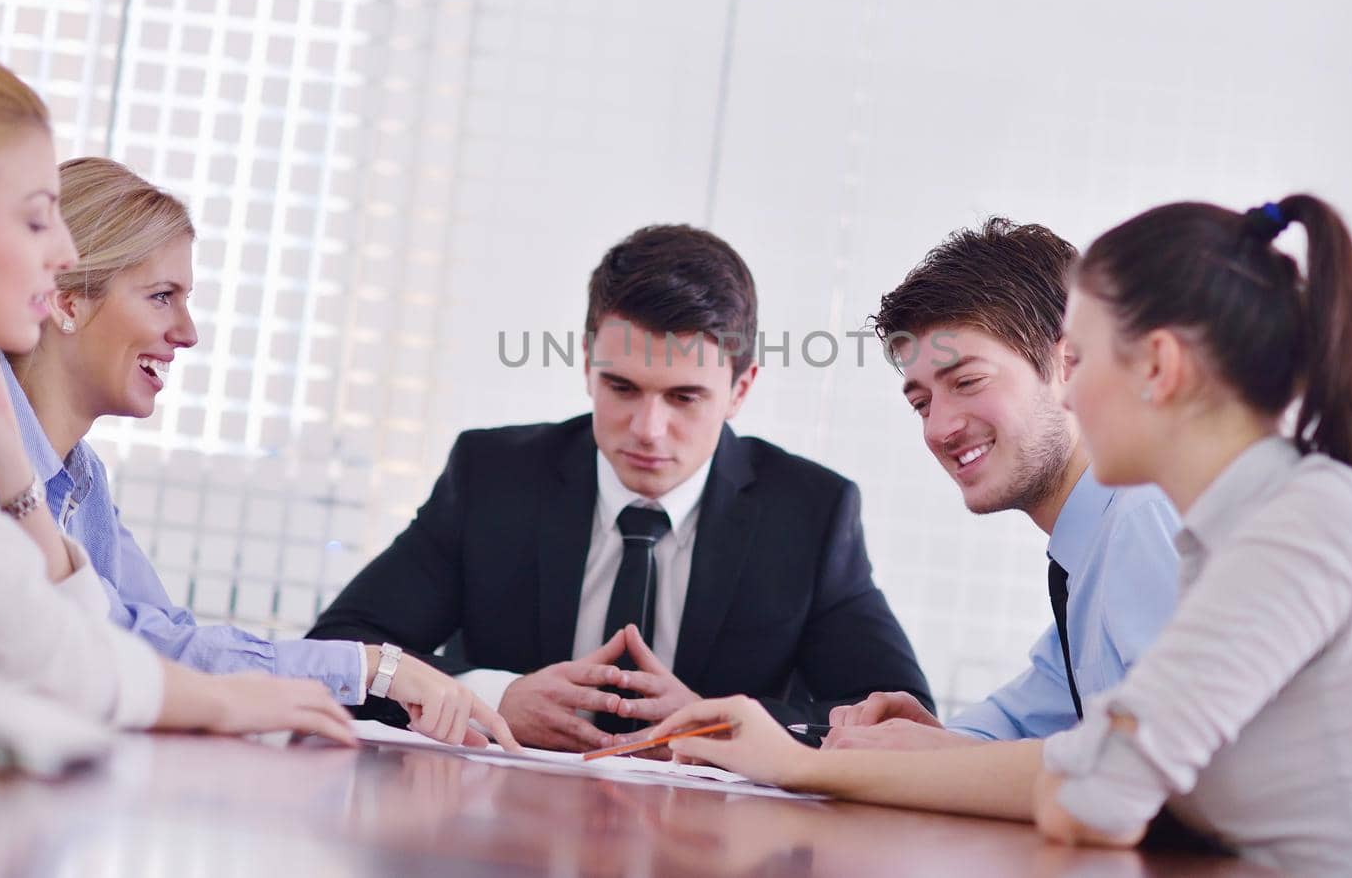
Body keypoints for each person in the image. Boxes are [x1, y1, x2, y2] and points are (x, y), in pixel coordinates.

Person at [645, 196, 1352, 877]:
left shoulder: (1283, 527)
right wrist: (914, 748)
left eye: (1086, 359)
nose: (1074, 396)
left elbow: (1101, 790)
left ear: (1155, 369)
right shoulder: (1213, 534)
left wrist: (801, 764)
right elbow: (1055, 739)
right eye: (920, 399)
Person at [310, 224, 932, 751]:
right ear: (587, 365)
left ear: (740, 391)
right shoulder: (492, 477)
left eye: (685, 397)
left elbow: (897, 721)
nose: (647, 430)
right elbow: (335, 654)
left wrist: (721, 726)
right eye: (622, 388)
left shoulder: (809, 514)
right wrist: (488, 697)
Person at [2, 156, 515, 749]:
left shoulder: (82, 479)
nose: (188, 332)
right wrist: (369, 668)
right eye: (162, 296)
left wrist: (370, 669)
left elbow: (163, 640)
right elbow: (128, 651)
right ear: (67, 303)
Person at [0, 46, 347, 742]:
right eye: (36, 220)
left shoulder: (6, 437)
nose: (62, 252)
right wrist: (226, 703)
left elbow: (84, 631)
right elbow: (47, 650)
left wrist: (8, 468)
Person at [820, 219, 1180, 751]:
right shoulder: (1088, 555)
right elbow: (1022, 720)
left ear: (1069, 363)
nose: (939, 429)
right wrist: (929, 740)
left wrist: (944, 755)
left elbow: (1158, 762)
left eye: (967, 382)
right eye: (922, 404)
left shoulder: (1144, 519)